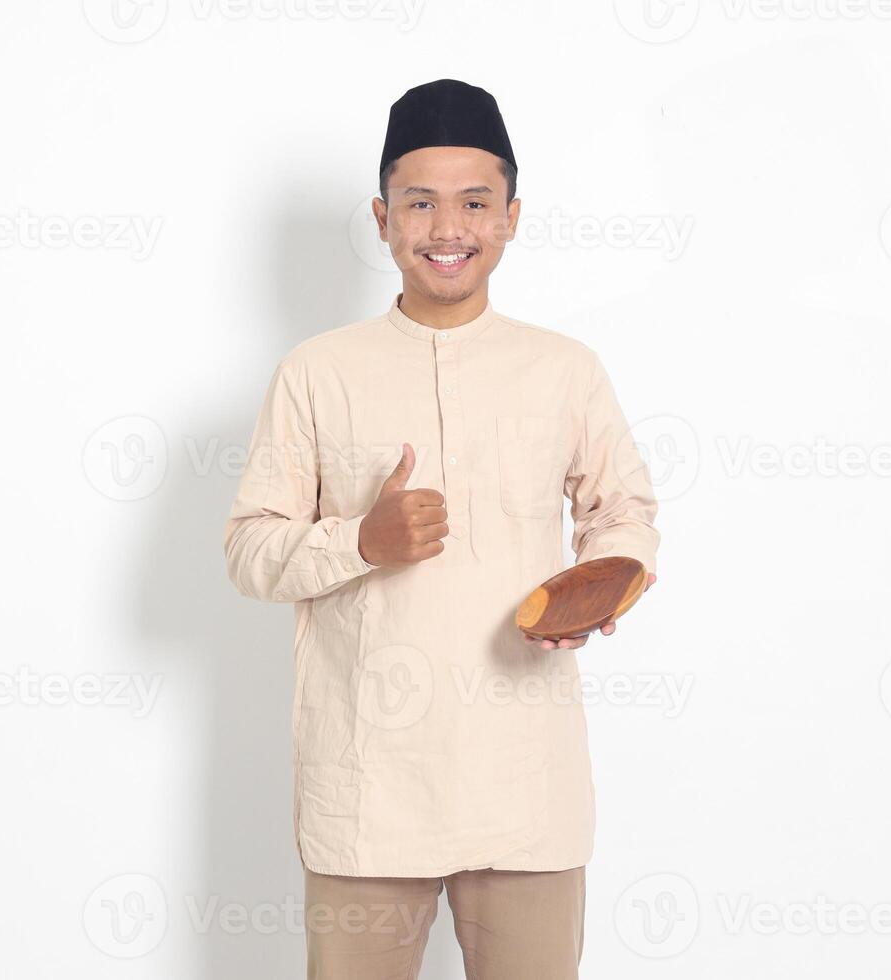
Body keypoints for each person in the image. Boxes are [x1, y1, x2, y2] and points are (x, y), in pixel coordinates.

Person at [223, 77, 661, 980]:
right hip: (368, 796)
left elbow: (623, 510)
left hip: (525, 787)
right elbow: (249, 550)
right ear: (383, 219)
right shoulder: (318, 373)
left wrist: (609, 575)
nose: (447, 228)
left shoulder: (563, 370)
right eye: (420, 203)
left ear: (510, 217)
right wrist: (358, 542)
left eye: (474, 202)